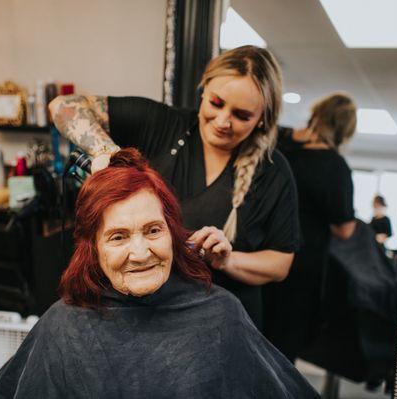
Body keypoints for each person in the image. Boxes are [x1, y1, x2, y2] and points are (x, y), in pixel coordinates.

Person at [0, 149, 319, 398]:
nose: (140, 254)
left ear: (173, 233)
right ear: (93, 248)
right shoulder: (63, 325)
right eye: (118, 236)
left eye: (153, 231)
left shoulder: (221, 314)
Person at [48, 45, 300, 329]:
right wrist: (107, 153)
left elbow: (280, 264)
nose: (223, 121)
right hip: (140, 314)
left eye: (242, 115)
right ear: (203, 89)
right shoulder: (163, 124)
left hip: (222, 322)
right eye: (216, 103)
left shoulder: (273, 172)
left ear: (263, 117)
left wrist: (227, 262)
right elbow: (62, 106)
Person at [263, 93, 357, 362]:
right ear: (344, 129)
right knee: (281, 351)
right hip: (300, 266)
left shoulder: (278, 140)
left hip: (260, 251)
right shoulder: (334, 167)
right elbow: (345, 229)